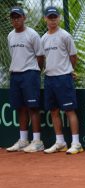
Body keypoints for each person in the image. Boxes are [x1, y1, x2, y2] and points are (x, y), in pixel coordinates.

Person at [41, 6, 83, 155]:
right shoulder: (44, 38)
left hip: (64, 78)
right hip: (49, 79)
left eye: (55, 17)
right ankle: (60, 142)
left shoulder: (65, 36)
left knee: (69, 110)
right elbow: (44, 58)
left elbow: (73, 56)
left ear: (59, 18)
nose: (52, 20)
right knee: (53, 111)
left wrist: (68, 70)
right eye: (50, 17)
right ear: (45, 18)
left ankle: (76, 143)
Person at [6, 6, 45, 153]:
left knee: (32, 108)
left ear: (24, 18)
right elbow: (14, 55)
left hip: (30, 74)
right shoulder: (10, 35)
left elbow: (40, 56)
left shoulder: (32, 35)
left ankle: (37, 142)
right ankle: (23, 140)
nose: (16, 20)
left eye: (18, 17)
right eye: (13, 18)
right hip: (15, 75)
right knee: (20, 108)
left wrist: (35, 72)